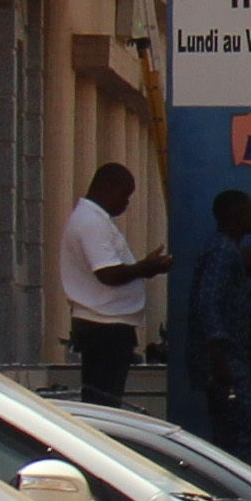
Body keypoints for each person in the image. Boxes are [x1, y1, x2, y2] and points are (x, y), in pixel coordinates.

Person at [57, 162, 172, 408]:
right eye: (124, 195)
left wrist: (145, 267)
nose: (126, 203)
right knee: (104, 402)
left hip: (109, 323)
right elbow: (108, 274)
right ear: (107, 187)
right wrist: (146, 267)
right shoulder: (91, 222)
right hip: (103, 327)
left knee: (107, 398)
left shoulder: (95, 220)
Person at [177, 191, 251, 458]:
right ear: (237, 215)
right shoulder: (222, 251)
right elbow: (208, 301)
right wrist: (219, 357)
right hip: (226, 361)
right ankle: (238, 482)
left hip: (227, 358)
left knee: (228, 434)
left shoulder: (225, 250)